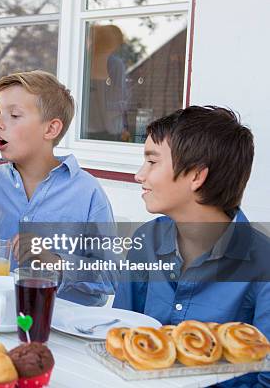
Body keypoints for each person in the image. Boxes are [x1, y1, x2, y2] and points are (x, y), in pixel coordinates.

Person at [113, 106, 269, 387]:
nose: (139, 175)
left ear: (196, 176)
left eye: (152, 161)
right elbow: (120, 342)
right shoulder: (146, 240)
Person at [0, 70, 115, 306]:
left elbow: (110, 276)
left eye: (14, 115)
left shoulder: (87, 191)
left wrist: (53, 261)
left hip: (64, 330)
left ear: (51, 129)